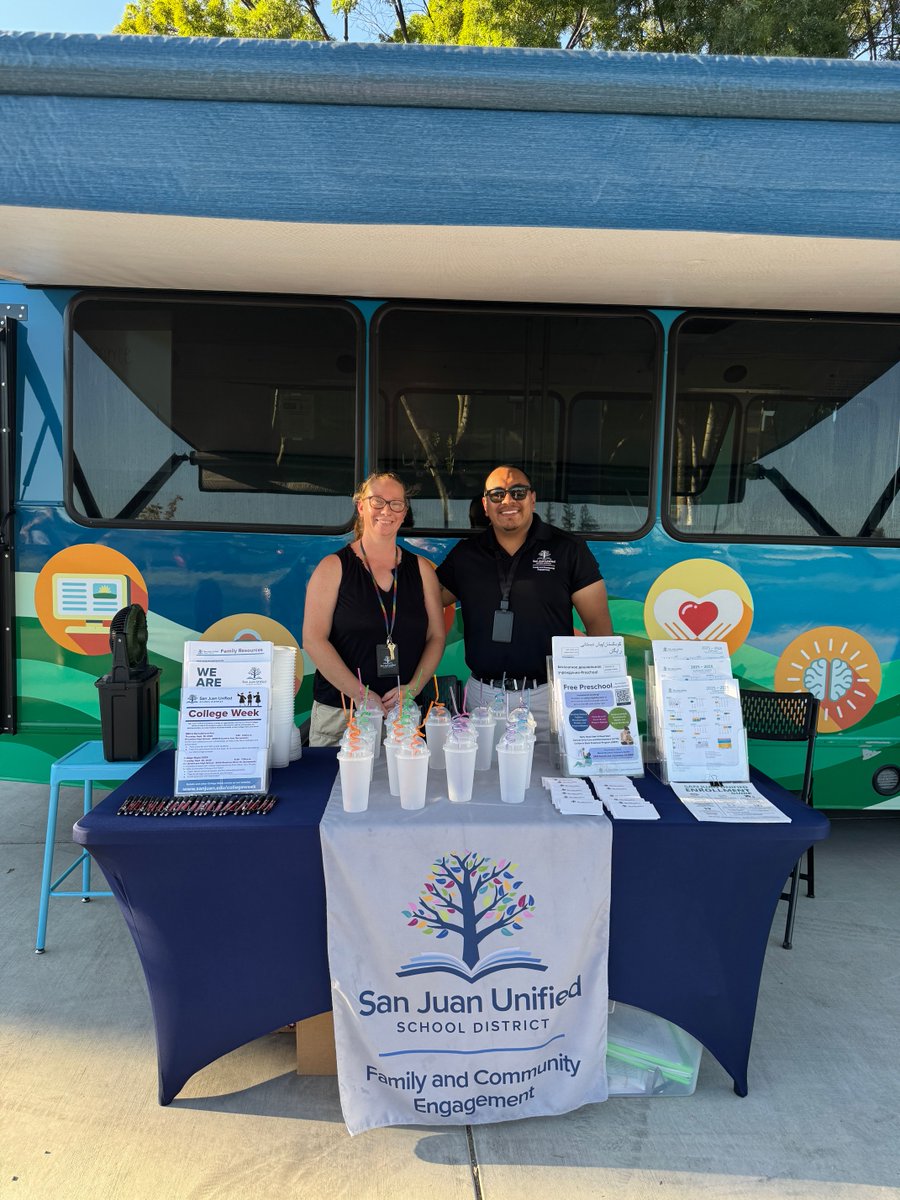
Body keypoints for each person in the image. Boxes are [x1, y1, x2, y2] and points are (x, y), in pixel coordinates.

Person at [437, 465, 612, 737]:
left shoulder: (568, 549)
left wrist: (597, 697)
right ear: (485, 505)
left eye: (517, 492)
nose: (508, 501)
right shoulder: (466, 554)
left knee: (550, 766)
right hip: (483, 699)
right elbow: (429, 599)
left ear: (532, 498)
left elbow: (599, 627)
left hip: (547, 697)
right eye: (497, 495)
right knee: (483, 765)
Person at [303, 472, 446, 746]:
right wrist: (360, 694)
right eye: (377, 501)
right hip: (343, 714)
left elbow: (436, 636)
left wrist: (413, 688)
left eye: (396, 504)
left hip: (402, 715)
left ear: (404, 513)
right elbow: (313, 639)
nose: (386, 511)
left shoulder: (422, 570)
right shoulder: (332, 567)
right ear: (361, 507)